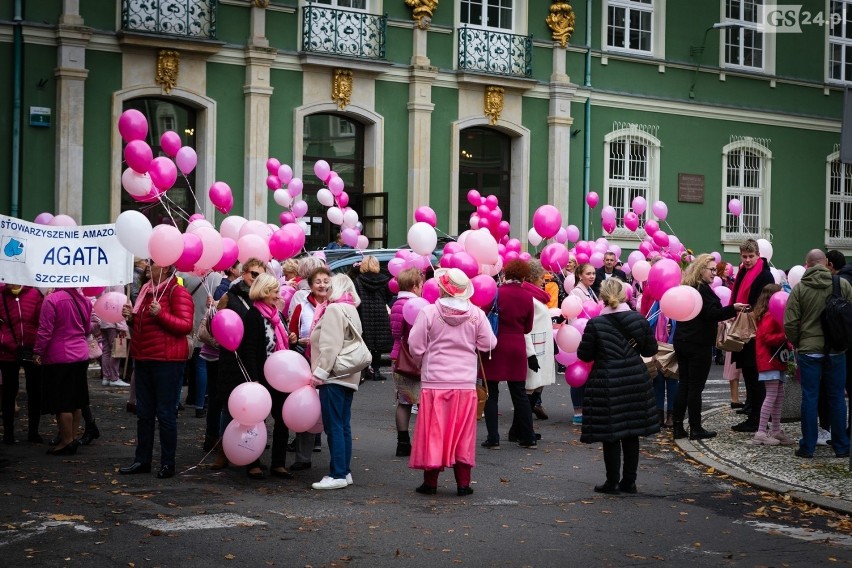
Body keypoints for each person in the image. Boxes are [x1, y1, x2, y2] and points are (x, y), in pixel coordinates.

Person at [407, 267, 496, 495]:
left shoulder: (429, 313)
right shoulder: (477, 314)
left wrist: (423, 356)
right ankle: (463, 483)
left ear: (442, 288)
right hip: (465, 383)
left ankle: (431, 482)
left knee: (434, 431)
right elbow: (489, 344)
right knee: (463, 433)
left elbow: (415, 345)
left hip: (435, 381)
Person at [576, 278, 658, 494]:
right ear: (625, 296)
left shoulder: (595, 324)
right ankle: (629, 482)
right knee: (632, 432)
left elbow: (584, 355)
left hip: (606, 381)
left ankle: (612, 482)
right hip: (635, 379)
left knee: (610, 433)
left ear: (602, 297)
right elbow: (650, 350)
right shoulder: (638, 320)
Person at [119, 262, 194, 479]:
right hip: (144, 357)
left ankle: (167, 463)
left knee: (165, 414)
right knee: (144, 413)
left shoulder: (177, 292)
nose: (148, 266)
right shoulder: (146, 291)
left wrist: (161, 314)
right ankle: (142, 460)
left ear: (167, 268)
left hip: (167, 360)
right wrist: (132, 318)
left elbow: (185, 325)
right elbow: (144, 327)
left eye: (153, 263)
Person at [784, 249, 851, 459]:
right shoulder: (843, 285)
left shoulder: (800, 288)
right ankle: (841, 446)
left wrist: (799, 342)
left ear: (807, 265)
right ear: (826, 263)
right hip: (836, 350)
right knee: (837, 398)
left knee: (810, 398)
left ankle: (808, 447)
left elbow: (790, 323)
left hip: (809, 350)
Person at [672, 255, 748, 440]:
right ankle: (695, 428)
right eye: (711, 270)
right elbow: (711, 314)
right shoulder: (702, 290)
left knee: (684, 385)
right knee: (695, 388)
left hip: (682, 341)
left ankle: (677, 427)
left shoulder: (688, 288)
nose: (715, 273)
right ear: (700, 269)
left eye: (715, 270)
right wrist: (733, 308)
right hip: (698, 344)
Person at [209, 258, 267, 470]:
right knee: (229, 407)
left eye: (261, 275)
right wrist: (212, 312)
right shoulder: (230, 297)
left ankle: (252, 453)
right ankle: (224, 450)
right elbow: (215, 325)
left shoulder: (264, 300)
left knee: (254, 409)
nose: (256, 279)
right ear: (244, 273)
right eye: (253, 274)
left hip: (255, 360)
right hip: (232, 361)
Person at [309, 274, 364, 490]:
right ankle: (344, 470)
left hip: (333, 375)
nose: (326, 288)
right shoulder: (349, 308)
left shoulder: (333, 309)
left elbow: (330, 346)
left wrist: (320, 373)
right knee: (343, 425)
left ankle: (338, 473)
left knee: (334, 426)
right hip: (348, 375)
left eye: (330, 285)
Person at [238, 273, 293, 480]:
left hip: (280, 376)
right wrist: (254, 379)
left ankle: (278, 463)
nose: (278, 295)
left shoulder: (277, 315)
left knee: (282, 418)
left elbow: (283, 342)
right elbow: (249, 350)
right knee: (254, 421)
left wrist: (291, 338)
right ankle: (252, 462)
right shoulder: (253, 316)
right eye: (275, 291)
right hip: (260, 376)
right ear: (264, 292)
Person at [481, 260, 537, 449]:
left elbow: (484, 318)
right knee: (520, 393)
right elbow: (528, 328)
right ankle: (528, 437)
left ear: (505, 273)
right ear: (523, 276)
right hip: (517, 345)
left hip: (495, 345)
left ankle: (493, 438)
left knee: (491, 393)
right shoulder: (527, 296)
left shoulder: (496, 293)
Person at [32, 287, 92, 455]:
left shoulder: (52, 299)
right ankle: (72, 438)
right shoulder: (84, 300)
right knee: (77, 400)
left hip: (59, 355)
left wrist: (38, 351)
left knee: (62, 401)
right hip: (81, 354)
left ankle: (66, 441)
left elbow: (45, 330)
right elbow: (87, 329)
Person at [288, 263, 332, 470]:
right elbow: (291, 335)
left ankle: (337, 461)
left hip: (331, 365)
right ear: (311, 285)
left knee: (331, 412)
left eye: (325, 281)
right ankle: (302, 458)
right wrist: (297, 339)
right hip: (307, 363)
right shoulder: (301, 306)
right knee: (305, 408)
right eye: (318, 282)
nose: (322, 285)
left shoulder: (336, 305)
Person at [730, 239, 775, 433]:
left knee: (755, 378)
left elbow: (764, 304)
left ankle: (758, 420)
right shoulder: (743, 272)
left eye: (751, 256)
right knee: (749, 376)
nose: (747, 260)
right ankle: (754, 415)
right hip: (744, 330)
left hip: (755, 331)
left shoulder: (764, 275)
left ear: (758, 255)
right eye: (744, 256)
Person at [749, 283, 796, 446]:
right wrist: (785, 335)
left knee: (778, 395)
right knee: (771, 395)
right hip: (769, 360)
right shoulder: (769, 315)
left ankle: (775, 430)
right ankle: (761, 432)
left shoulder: (768, 314)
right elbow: (767, 338)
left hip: (775, 359)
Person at [0, 284, 44, 444]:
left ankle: (33, 432)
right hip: (7, 352)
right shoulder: (2, 294)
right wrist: (7, 342)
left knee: (35, 391)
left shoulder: (34, 293)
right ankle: (8, 433)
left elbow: (42, 321)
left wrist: (38, 347)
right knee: (9, 392)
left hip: (31, 351)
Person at [389, 267, 424, 457]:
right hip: (415, 357)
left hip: (398, 356)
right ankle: (422, 441)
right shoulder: (417, 305)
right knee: (423, 401)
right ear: (414, 286)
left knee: (404, 401)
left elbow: (395, 333)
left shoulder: (396, 304)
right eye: (421, 284)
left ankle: (403, 442)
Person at [523, 260, 555, 421]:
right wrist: (530, 353)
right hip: (535, 348)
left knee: (538, 385)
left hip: (541, 346)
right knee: (531, 386)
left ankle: (523, 425)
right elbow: (526, 327)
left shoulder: (538, 296)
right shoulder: (529, 296)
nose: (544, 281)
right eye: (541, 277)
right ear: (532, 277)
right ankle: (523, 426)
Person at [354, 256, 392, 381]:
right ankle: (376, 370)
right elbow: (388, 297)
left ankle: (365, 371)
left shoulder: (358, 281)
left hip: (364, 313)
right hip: (380, 313)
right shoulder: (385, 280)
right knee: (378, 345)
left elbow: (356, 298)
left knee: (365, 342)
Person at [569, 262, 598, 425]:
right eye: (588, 273)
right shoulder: (576, 293)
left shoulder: (590, 291)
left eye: (593, 273)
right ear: (580, 275)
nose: (592, 276)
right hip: (580, 338)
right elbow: (573, 317)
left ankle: (585, 409)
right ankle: (578, 411)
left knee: (588, 375)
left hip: (590, 338)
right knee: (579, 374)